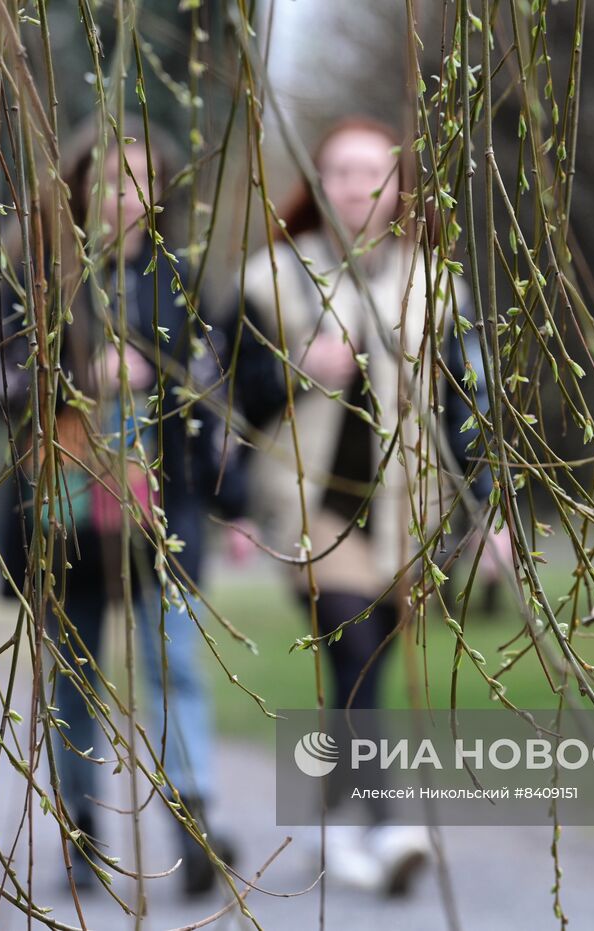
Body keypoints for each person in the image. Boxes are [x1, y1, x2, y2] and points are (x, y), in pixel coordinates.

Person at [226, 116, 511, 895]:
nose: (357, 187)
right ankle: (389, 827)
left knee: (366, 673)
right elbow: (231, 401)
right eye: (341, 172)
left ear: (397, 187)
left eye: (371, 172)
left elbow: (465, 408)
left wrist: (488, 514)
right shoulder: (270, 279)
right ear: (318, 185)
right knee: (353, 653)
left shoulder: (433, 284)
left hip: (404, 515)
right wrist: (296, 368)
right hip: (310, 508)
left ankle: (327, 817)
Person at [0, 117, 238, 896]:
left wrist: (157, 373)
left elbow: (212, 395)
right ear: (80, 187)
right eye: (108, 182)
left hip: (164, 513)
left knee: (175, 664)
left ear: (160, 191)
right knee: (74, 674)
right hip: (64, 512)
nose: (123, 199)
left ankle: (191, 820)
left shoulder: (182, 279)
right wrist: (69, 373)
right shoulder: (36, 276)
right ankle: (81, 824)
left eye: (139, 181)